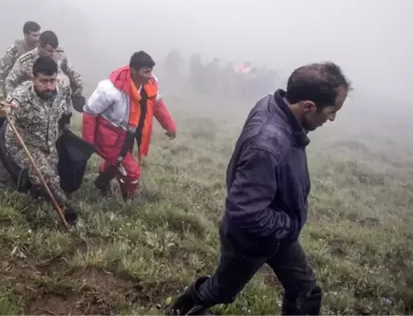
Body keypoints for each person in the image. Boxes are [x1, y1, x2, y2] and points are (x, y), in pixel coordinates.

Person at [166, 62, 351, 316]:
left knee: (305, 290)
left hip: (278, 230)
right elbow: (245, 211)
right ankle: (185, 308)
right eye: (332, 111)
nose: (332, 118)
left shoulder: (274, 105)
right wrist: (288, 225)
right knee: (222, 290)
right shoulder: (267, 145)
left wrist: (286, 227)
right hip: (251, 238)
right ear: (308, 106)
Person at [0, 56, 80, 224]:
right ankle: (68, 213)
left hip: (49, 144)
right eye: (43, 81)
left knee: (54, 178)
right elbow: (4, 113)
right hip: (24, 144)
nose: (49, 86)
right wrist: (1, 113)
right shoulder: (21, 95)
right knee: (46, 178)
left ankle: (31, 187)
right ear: (33, 78)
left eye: (52, 80)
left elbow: (66, 110)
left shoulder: (62, 87)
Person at [81, 51, 176, 198]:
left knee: (118, 162)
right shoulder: (110, 90)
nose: (150, 75)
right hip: (110, 136)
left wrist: (169, 126)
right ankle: (128, 199)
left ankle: (101, 182)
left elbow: (156, 103)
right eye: (146, 72)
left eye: (151, 71)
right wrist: (87, 143)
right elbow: (90, 113)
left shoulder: (149, 84)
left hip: (130, 134)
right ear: (133, 71)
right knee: (132, 172)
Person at [4, 30, 84, 111]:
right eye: (49, 51)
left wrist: (77, 91)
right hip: (32, 109)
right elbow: (10, 81)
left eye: (55, 50)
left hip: (56, 107)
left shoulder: (59, 56)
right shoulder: (25, 61)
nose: (53, 54)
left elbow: (72, 73)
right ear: (39, 46)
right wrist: (12, 102)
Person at [0, 21, 41, 100]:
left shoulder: (41, 49)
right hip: (17, 93)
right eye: (34, 35)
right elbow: (1, 74)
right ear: (25, 35)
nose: (37, 38)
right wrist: (2, 96)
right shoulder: (14, 50)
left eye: (39, 35)